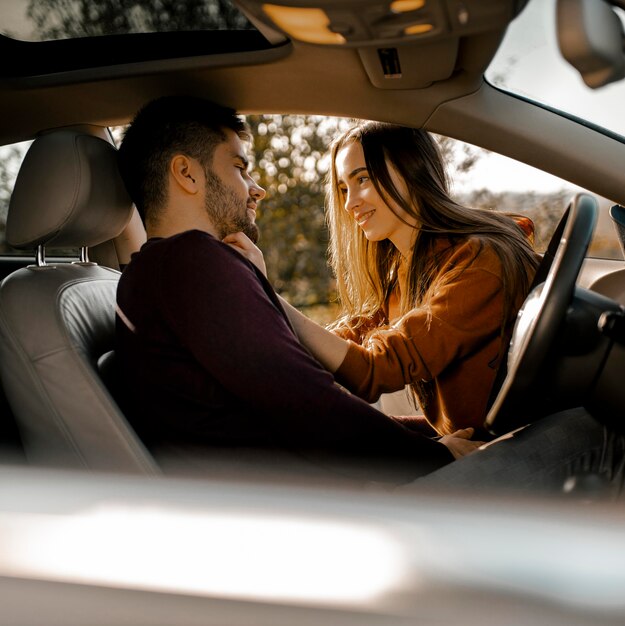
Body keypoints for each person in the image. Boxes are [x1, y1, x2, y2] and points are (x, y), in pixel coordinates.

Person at [114, 95, 481, 486]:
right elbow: (308, 406)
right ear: (187, 174)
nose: (257, 189)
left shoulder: (160, 271)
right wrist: (435, 454)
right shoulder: (190, 260)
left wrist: (432, 437)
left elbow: (288, 404)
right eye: (240, 167)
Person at [274, 122, 540, 439]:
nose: (349, 203)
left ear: (412, 171)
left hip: (507, 441)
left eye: (363, 179)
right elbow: (359, 330)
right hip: (471, 435)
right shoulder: (411, 263)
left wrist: (266, 293)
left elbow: (377, 367)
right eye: (345, 188)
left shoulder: (478, 262)